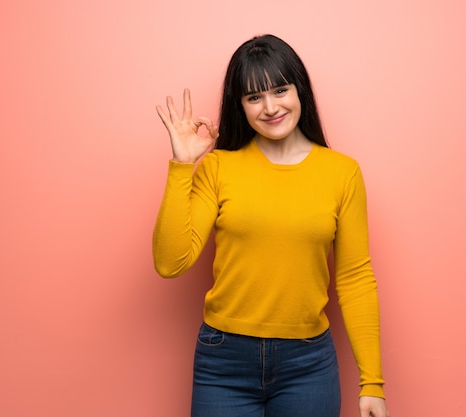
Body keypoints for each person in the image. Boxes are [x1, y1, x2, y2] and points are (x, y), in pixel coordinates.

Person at [153, 34, 389, 417]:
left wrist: (372, 382)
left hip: (309, 364)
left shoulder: (342, 173)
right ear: (241, 106)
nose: (270, 107)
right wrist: (182, 166)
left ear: (300, 91)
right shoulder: (218, 168)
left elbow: (355, 278)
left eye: (280, 90)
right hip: (224, 361)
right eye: (254, 97)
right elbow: (170, 262)